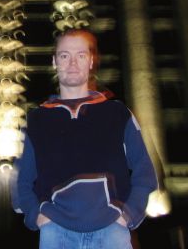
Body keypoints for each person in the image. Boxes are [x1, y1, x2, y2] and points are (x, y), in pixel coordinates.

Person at [12, 28, 157, 249]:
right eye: (64, 55)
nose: (72, 63)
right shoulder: (37, 119)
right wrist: (36, 216)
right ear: (54, 62)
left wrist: (128, 214)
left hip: (112, 232)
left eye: (80, 55)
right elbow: (21, 180)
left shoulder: (117, 113)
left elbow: (144, 170)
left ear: (90, 61)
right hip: (56, 232)